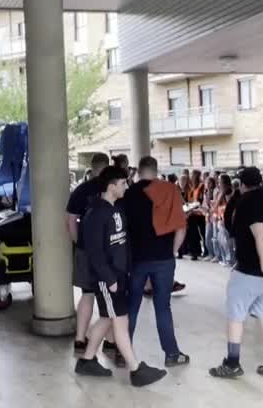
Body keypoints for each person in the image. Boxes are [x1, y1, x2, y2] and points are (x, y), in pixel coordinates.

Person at [74, 166, 168, 387]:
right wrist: (110, 279)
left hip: (119, 275)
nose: (127, 186)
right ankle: (136, 369)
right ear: (111, 186)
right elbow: (95, 253)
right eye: (123, 183)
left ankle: (87, 360)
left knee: (107, 318)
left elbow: (122, 243)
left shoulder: (116, 208)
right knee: (121, 321)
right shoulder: (95, 213)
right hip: (107, 279)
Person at [209, 167, 263, 381]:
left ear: (242, 185)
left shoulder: (250, 201)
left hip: (253, 270)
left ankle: (232, 364)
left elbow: (260, 235)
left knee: (236, 315)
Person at [124, 156, 190, 368]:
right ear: (156, 169)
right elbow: (181, 228)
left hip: (137, 258)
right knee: (163, 307)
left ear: (138, 171)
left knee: (131, 306)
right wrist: (172, 251)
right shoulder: (170, 190)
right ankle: (172, 354)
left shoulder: (129, 193)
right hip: (163, 258)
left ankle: (122, 352)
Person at [67, 153, 117, 356]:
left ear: (92, 166)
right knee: (110, 298)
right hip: (109, 252)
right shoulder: (113, 189)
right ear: (107, 167)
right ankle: (111, 341)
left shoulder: (81, 190)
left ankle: (80, 339)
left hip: (85, 250)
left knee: (87, 294)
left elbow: (71, 220)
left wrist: (79, 243)